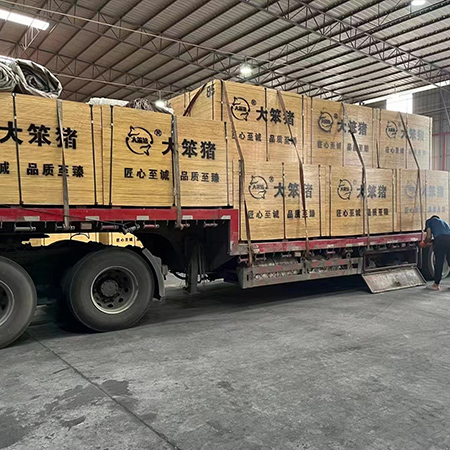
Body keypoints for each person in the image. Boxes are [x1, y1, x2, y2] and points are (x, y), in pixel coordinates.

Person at [420, 215, 450, 290]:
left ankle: (436, 285)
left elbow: (429, 236)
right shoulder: (444, 222)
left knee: (439, 262)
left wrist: (424, 243)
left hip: (440, 240)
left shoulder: (429, 221)